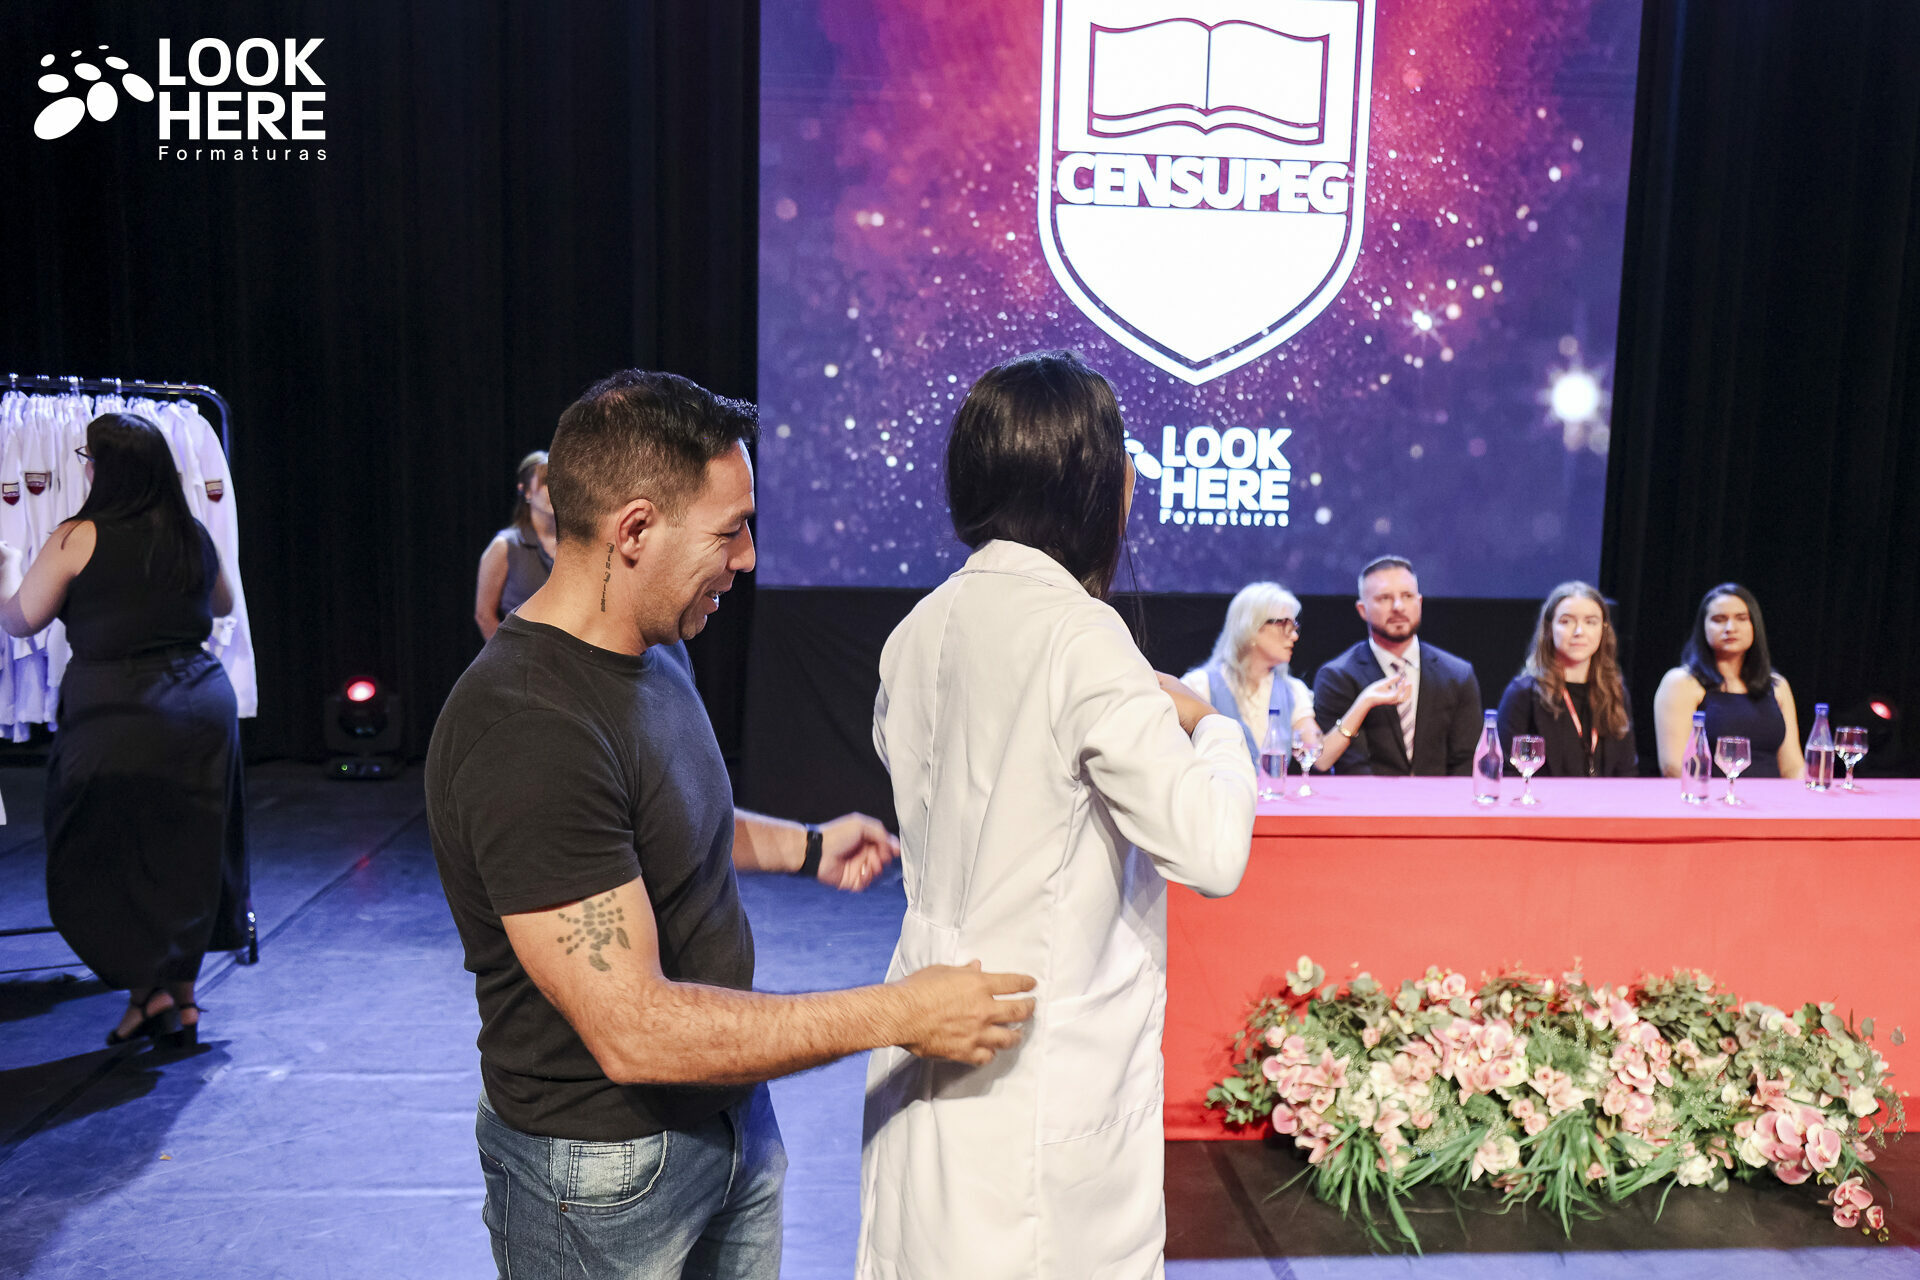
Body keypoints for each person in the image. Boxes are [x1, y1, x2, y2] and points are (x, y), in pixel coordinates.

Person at [425, 370, 1035, 1280]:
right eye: (730, 530)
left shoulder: (650, 646)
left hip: (728, 1119)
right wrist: (903, 1013)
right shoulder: (529, 729)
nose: (747, 558)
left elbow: (662, 817)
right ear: (635, 531)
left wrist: (808, 846)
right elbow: (636, 1030)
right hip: (602, 1177)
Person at [858, 351, 1257, 1279]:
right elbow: (1210, 850)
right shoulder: (1080, 631)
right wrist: (1214, 728)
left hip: (931, 1022)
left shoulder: (919, 626)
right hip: (1039, 1058)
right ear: (1093, 485)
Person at [0, 412, 244, 1050]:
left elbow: (22, 621)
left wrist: (5, 571)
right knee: (187, 852)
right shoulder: (190, 532)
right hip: (199, 702)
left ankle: (149, 989)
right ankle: (175, 999)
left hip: (119, 706)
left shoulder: (77, 536)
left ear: (102, 468)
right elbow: (222, 605)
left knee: (100, 848)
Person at [1311, 556, 1483, 774]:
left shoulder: (1457, 674)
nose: (1398, 607)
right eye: (1384, 598)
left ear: (1419, 602)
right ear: (1362, 610)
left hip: (1441, 795)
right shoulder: (1338, 676)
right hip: (1368, 795)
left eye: (1407, 596)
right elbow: (1351, 765)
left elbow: (1466, 761)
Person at [1653, 582, 1805, 779]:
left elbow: (1793, 766)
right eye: (1719, 619)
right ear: (1702, 627)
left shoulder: (1777, 685)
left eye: (1741, 618)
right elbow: (1674, 767)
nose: (1730, 628)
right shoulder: (1682, 682)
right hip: (1711, 796)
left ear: (1754, 625)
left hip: (1773, 797)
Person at [1495, 582, 1638, 777]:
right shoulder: (1523, 694)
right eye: (1566, 621)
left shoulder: (1615, 691)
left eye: (1590, 622)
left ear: (1603, 629)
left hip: (1603, 798)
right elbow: (1506, 772)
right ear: (1548, 629)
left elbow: (1627, 772)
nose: (1579, 631)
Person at [1180, 581, 1319, 759]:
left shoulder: (1293, 691)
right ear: (1251, 627)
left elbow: (1316, 751)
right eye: (1285, 624)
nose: (1294, 636)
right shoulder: (1199, 686)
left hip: (1275, 779)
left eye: (1294, 627)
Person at [474, 450, 555, 640]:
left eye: (558, 482)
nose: (554, 489)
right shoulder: (506, 546)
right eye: (546, 482)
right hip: (525, 654)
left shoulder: (576, 543)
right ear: (526, 491)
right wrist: (508, 654)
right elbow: (484, 615)